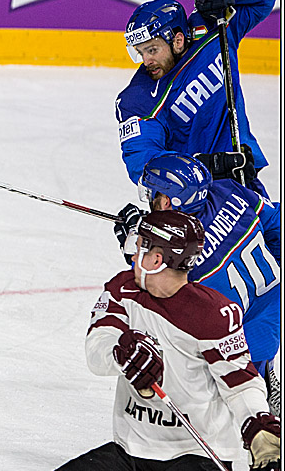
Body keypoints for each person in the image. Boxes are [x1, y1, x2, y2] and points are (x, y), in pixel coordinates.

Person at [0, 210, 280, 471]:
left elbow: (240, 381)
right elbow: (96, 351)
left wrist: (258, 428)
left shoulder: (213, 313)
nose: (132, 255)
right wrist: (120, 351)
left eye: (141, 247)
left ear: (157, 257)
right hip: (131, 450)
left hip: (192, 457)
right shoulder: (122, 289)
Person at [114, 154, 281, 416]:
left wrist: (134, 248)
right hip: (273, 311)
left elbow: (157, 295)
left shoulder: (181, 248)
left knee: (237, 411)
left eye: (154, 195)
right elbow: (276, 223)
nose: (150, 201)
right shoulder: (229, 190)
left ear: (168, 200)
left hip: (238, 340)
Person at [115, 0, 277, 197]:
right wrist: (207, 166)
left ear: (178, 40)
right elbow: (144, 165)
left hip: (245, 182)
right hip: (195, 200)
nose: (146, 61)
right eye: (140, 53)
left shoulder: (215, 30)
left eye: (152, 50)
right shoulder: (137, 99)